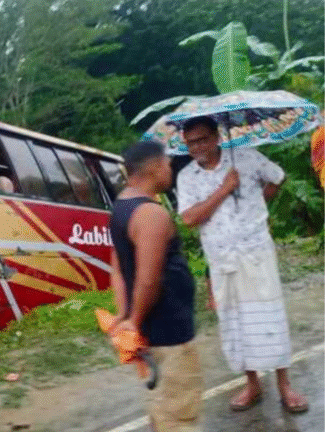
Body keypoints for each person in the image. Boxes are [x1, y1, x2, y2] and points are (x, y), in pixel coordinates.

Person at [176, 116, 308, 413]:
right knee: (235, 322)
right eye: (190, 143)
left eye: (202, 139)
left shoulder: (246, 157)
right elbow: (189, 218)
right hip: (221, 260)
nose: (197, 147)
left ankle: (284, 385)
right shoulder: (186, 177)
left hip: (256, 253)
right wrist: (224, 189)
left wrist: (258, 204)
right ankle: (252, 384)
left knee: (270, 317)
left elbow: (278, 177)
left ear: (216, 136)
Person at [109, 141, 202, 432]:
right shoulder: (151, 214)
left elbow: (118, 268)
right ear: (155, 167)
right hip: (169, 330)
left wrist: (125, 315)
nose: (170, 170)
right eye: (168, 164)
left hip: (151, 330)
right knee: (178, 410)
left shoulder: (122, 205)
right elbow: (149, 279)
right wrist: (134, 320)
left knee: (162, 402)